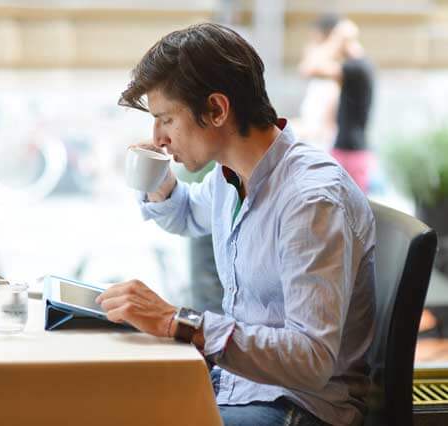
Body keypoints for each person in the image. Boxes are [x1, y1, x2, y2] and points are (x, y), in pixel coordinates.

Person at [97, 23, 376, 426]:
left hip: (298, 406)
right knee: (110, 399)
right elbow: (189, 215)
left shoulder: (310, 199)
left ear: (216, 109)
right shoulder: (231, 175)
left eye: (166, 120)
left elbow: (313, 359)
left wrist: (179, 323)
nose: (157, 137)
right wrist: (160, 182)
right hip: (240, 385)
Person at [299, 19, 375, 193]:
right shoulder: (359, 67)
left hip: (350, 153)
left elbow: (309, 68)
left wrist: (334, 41)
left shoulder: (357, 67)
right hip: (350, 150)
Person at [293, 14, 341, 150]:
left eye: (314, 39)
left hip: (320, 147)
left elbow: (323, 129)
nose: (308, 46)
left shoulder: (331, 83)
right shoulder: (319, 84)